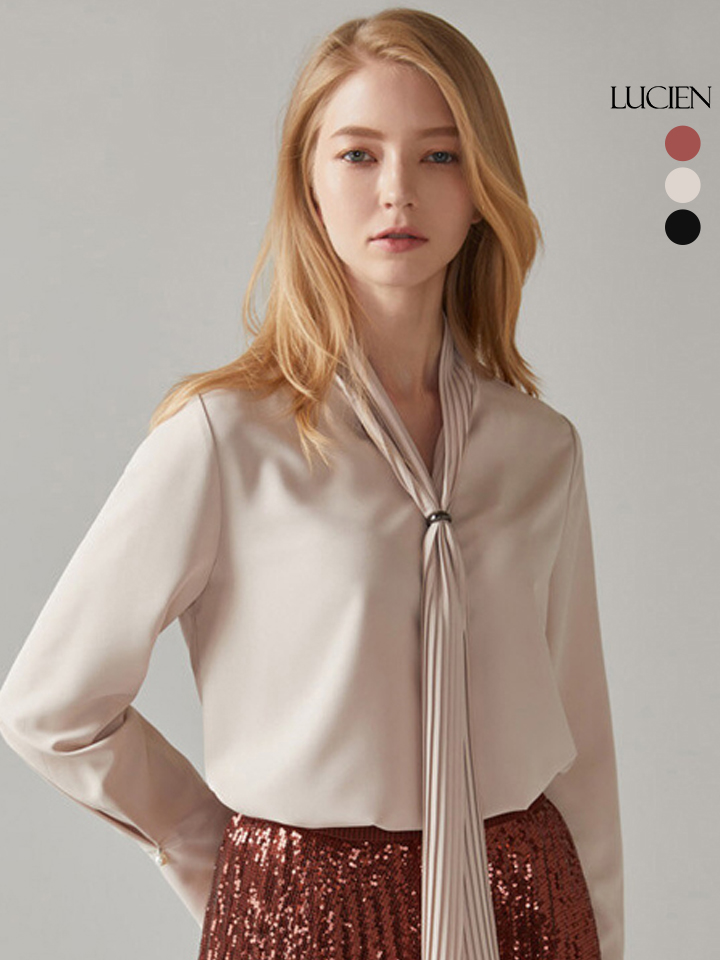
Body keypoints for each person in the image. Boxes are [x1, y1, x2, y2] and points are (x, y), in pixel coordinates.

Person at [0, 7, 624, 960]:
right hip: (305, 917)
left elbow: (582, 748)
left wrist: (609, 938)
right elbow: (52, 704)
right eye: (359, 155)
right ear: (310, 185)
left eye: (441, 155)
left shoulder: (540, 449)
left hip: (529, 905)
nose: (398, 191)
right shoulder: (225, 439)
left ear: (482, 189)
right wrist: (222, 852)